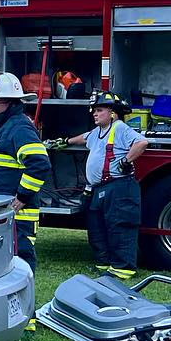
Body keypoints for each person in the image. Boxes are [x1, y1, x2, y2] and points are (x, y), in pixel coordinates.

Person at [50, 91, 148, 281]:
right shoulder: (97, 132)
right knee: (97, 227)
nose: (94, 113)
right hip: (99, 189)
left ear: (112, 113)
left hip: (119, 187)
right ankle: (104, 264)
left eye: (100, 110)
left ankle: (123, 268)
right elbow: (84, 137)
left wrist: (126, 161)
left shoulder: (119, 128)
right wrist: (65, 141)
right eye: (94, 110)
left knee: (119, 226)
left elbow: (141, 142)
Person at [0, 72, 51, 272]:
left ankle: (25, 303)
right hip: (1, 212)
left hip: (16, 215)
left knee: (19, 265)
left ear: (10, 102)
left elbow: (39, 163)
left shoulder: (19, 127)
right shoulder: (5, 127)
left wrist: (22, 197)